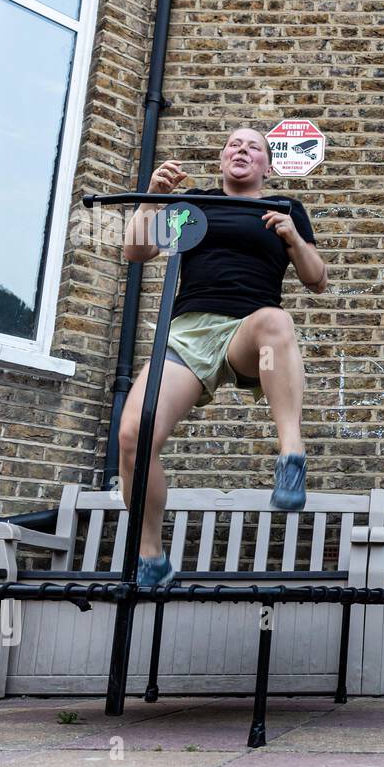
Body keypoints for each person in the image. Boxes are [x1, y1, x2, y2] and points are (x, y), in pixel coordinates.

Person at [118, 127, 327, 586]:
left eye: (254, 147)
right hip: (188, 335)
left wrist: (293, 237)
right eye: (234, 144)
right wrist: (154, 196)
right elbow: (136, 250)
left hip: (248, 337)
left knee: (277, 321)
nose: (242, 150)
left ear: (266, 167)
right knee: (134, 435)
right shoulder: (197, 207)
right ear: (221, 160)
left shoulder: (283, 210)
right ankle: (150, 555)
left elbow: (316, 279)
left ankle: (291, 455)